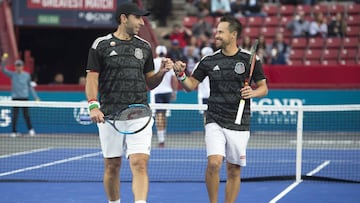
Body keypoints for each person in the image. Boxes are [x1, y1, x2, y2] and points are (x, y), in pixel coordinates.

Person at [85, 2, 174, 203]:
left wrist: (161, 72)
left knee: (140, 163)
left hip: (139, 114)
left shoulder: (144, 46)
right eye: (138, 18)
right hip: (109, 115)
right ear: (124, 18)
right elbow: (92, 79)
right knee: (112, 166)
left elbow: (150, 81)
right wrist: (93, 104)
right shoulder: (101, 45)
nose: (142, 22)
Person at [173, 15, 268, 203]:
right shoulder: (208, 60)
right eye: (217, 31)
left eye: (220, 32)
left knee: (234, 169)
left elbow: (264, 88)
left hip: (239, 121)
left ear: (233, 35)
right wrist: (181, 74)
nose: (216, 35)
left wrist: (253, 92)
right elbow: (190, 85)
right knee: (214, 163)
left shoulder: (250, 59)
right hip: (214, 117)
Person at [1, 57, 40, 137]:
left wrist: (36, 97)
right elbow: (3, 70)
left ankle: (30, 130)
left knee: (26, 115)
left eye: (19, 65)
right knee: (15, 115)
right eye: (17, 66)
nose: (18, 67)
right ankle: (13, 132)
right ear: (15, 67)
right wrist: (3, 60)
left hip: (24, 97)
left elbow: (30, 86)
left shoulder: (27, 75)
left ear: (22, 66)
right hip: (15, 98)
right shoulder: (12, 74)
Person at [150, 45, 178, 148]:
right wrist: (174, 92)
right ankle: (162, 138)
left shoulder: (152, 62)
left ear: (156, 53)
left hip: (157, 92)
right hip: (167, 92)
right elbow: (174, 79)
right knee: (163, 116)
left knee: (159, 116)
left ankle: (161, 140)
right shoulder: (168, 62)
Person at [196, 46, 214, 126]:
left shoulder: (198, 65)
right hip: (213, 95)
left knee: (206, 116)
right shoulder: (217, 64)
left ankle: (209, 133)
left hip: (205, 95)